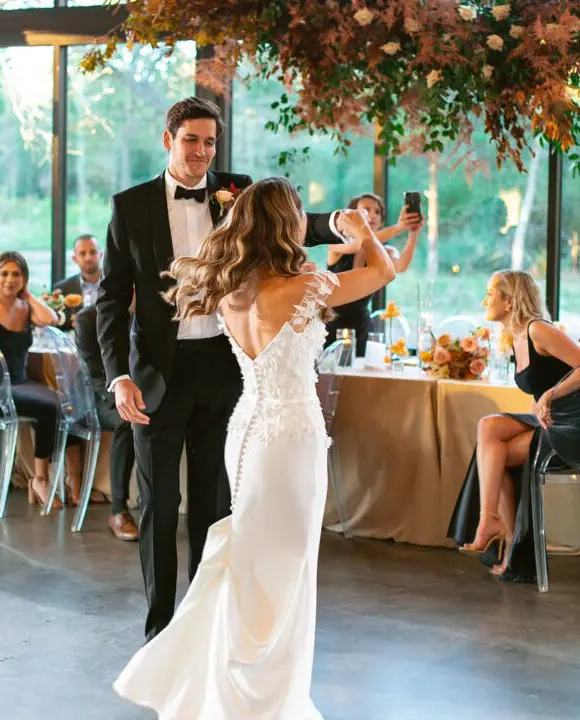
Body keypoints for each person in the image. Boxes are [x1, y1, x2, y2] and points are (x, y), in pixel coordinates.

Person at [113, 177, 401, 717]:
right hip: (290, 437)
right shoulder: (304, 284)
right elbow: (384, 272)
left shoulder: (229, 288)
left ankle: (232, 683)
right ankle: (268, 700)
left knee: (249, 559)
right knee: (288, 566)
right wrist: (361, 229)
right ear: (285, 223)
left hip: (245, 430)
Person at [97, 96, 352, 643]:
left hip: (224, 371)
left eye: (210, 142)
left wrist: (336, 222)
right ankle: (162, 628)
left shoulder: (236, 191)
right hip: (155, 379)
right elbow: (112, 300)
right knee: (160, 506)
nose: (201, 151)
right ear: (168, 140)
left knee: (215, 508)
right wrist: (118, 374)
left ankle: (208, 622)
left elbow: (289, 225)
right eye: (191, 139)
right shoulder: (130, 206)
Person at [448, 270, 580, 582]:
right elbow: (544, 383)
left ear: (509, 301)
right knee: (490, 427)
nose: (484, 301)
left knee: (498, 455)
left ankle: (502, 537)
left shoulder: (538, 330)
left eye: (490, 294)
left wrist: (551, 393)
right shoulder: (514, 337)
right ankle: (493, 525)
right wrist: (543, 401)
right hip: (555, 422)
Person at [0, 251, 82, 509]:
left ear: (24, 278)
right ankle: (40, 479)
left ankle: (62, 479)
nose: (9, 279)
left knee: (62, 402)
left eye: (16, 274)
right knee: (49, 405)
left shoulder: (25, 306)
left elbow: (50, 319)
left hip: (19, 382)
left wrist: (27, 294)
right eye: (4, 273)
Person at [325, 192, 420, 355]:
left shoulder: (385, 253)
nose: (373, 215)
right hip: (329, 323)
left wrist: (413, 233)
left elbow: (402, 265)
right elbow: (360, 243)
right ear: (352, 216)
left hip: (361, 325)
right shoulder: (337, 245)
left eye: (378, 212)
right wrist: (398, 228)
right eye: (366, 210)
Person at [73, 305, 138, 541]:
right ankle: (119, 510)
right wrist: (126, 398)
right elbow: (96, 375)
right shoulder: (88, 319)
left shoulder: (148, 313)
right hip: (99, 396)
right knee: (127, 419)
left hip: (142, 390)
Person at [53, 234, 102, 302]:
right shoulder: (62, 289)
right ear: (74, 258)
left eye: (93, 252)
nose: (88, 258)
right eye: (82, 253)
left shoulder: (117, 284)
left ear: (101, 255)